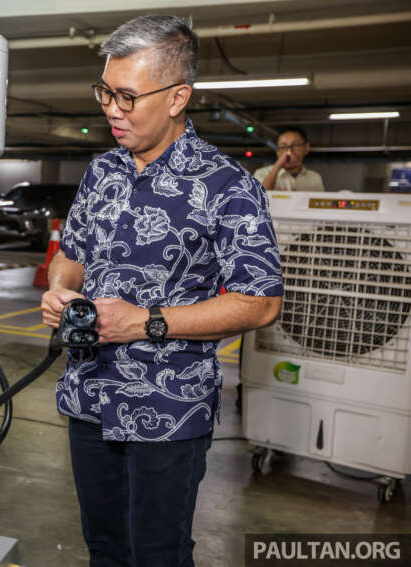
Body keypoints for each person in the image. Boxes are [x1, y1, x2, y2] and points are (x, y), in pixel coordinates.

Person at [40, 15, 284, 567]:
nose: (111, 109)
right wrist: (60, 291)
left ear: (178, 97)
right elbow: (71, 256)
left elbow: (261, 301)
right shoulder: (101, 172)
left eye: (127, 97)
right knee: (104, 547)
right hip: (88, 396)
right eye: (105, 91)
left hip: (167, 408)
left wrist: (145, 321)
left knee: (157, 554)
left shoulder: (226, 186)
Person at [253, 127, 325, 191]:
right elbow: (259, 199)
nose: (289, 152)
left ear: (306, 148)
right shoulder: (261, 173)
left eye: (296, 145)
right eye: (283, 147)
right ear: (277, 151)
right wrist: (278, 165)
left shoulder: (314, 178)